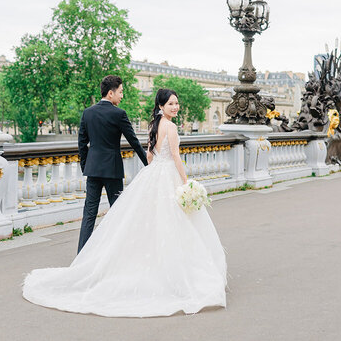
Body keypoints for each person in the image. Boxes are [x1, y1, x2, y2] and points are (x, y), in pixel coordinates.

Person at [22, 88, 227, 317]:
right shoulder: (170, 126)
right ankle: (170, 271)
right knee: (170, 223)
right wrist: (186, 181)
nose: (175, 107)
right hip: (164, 173)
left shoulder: (153, 125)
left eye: (176, 103)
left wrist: (153, 166)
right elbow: (176, 157)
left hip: (147, 173)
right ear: (161, 106)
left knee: (127, 219)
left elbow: (150, 154)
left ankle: (91, 259)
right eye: (171, 104)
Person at [76, 75, 148, 253]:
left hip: (93, 169)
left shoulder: (87, 113)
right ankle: (118, 253)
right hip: (112, 170)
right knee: (117, 212)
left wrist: (86, 167)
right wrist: (148, 163)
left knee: (89, 214)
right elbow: (134, 142)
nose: (122, 96)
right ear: (110, 93)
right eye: (121, 92)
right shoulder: (119, 114)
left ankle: (81, 255)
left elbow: (81, 144)